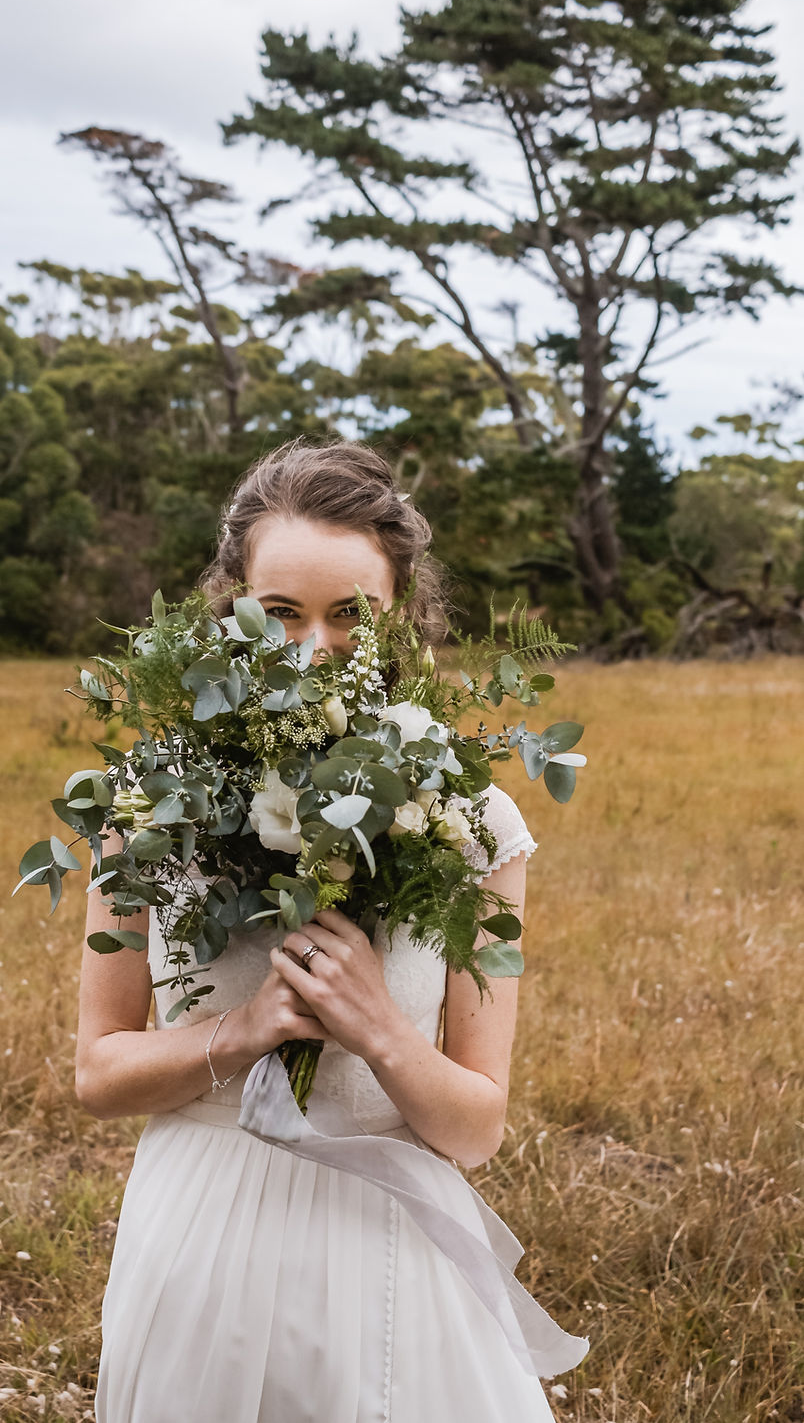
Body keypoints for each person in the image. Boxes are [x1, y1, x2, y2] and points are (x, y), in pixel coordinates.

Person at [76, 439, 583, 1422]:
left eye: (350, 615)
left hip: (389, 1240)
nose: (314, 647)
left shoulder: (467, 819)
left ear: (400, 614)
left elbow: (475, 1130)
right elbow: (97, 1076)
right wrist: (250, 1029)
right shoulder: (148, 806)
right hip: (203, 1234)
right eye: (280, 614)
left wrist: (376, 1029)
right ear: (230, 603)